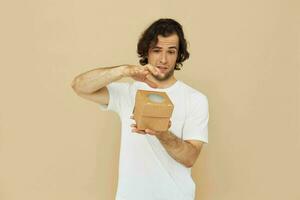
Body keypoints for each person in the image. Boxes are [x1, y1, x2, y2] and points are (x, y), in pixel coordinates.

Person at [71, 18, 209, 200]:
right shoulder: (128, 92)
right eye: (157, 50)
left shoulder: (195, 99)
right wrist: (124, 71)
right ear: (147, 52)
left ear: (179, 55)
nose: (163, 59)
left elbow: (190, 158)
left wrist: (162, 133)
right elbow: (79, 86)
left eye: (171, 51)